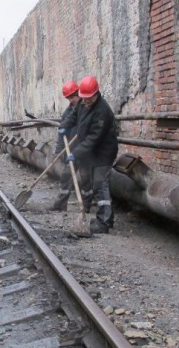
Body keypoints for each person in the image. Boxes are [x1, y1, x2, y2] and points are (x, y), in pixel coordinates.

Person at [59, 76, 118, 234]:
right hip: (91, 151)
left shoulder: (102, 111)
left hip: (104, 152)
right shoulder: (83, 102)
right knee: (93, 184)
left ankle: (104, 222)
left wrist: (75, 153)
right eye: (83, 98)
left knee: (100, 185)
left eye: (88, 99)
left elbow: (94, 138)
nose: (84, 102)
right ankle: (104, 217)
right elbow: (74, 116)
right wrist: (65, 126)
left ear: (96, 94)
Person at [50, 80, 92, 212]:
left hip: (85, 152)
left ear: (78, 94)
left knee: (86, 180)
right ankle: (60, 205)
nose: (71, 100)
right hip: (71, 151)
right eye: (69, 98)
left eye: (73, 97)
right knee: (66, 177)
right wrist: (59, 151)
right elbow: (62, 135)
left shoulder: (87, 109)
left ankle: (86, 207)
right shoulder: (67, 113)